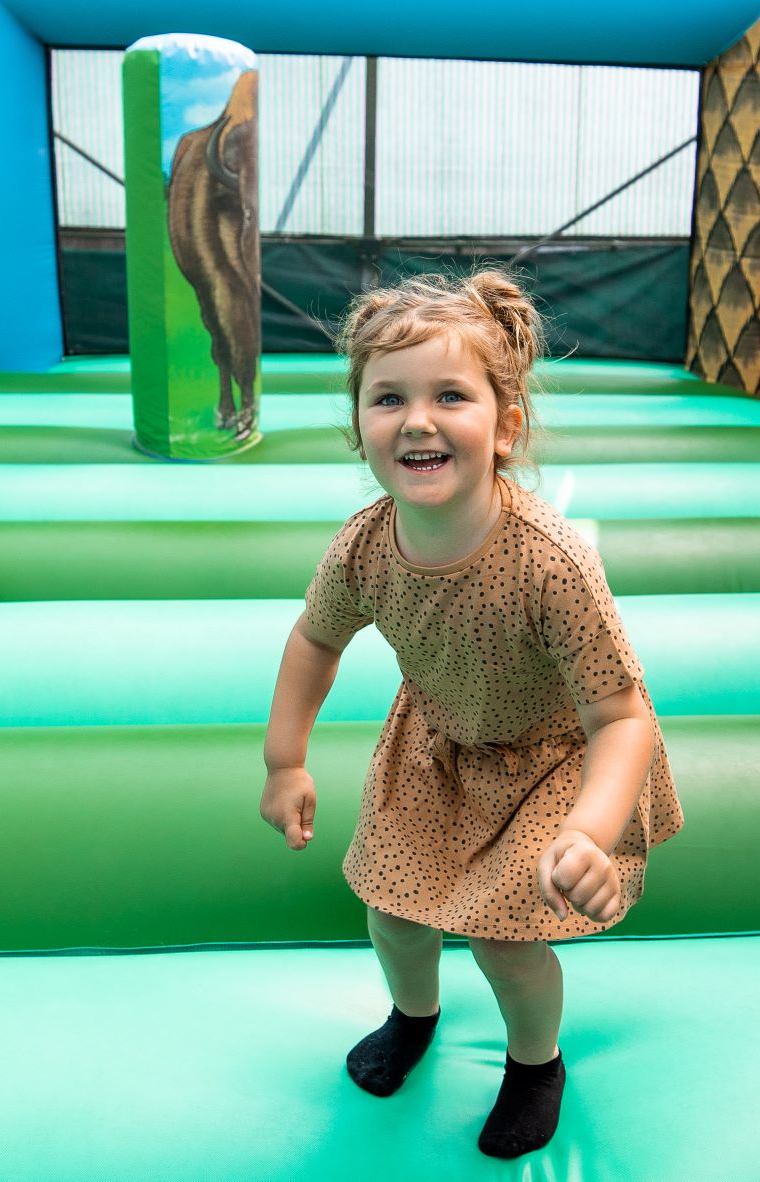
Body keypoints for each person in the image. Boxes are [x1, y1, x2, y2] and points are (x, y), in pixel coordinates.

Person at [259, 270, 683, 1159]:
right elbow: (314, 642)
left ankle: (536, 1063)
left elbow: (621, 716)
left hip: (551, 762)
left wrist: (589, 834)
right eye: (388, 398)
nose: (417, 419)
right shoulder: (365, 546)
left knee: (504, 940)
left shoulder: (550, 562)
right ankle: (412, 1016)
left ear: (505, 426)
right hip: (437, 747)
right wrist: (283, 760)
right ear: (359, 429)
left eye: (450, 394)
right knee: (393, 914)